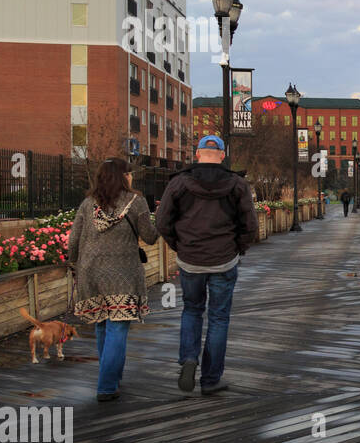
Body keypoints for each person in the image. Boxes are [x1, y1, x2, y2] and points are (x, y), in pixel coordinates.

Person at [156, 135, 259, 395]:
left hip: (190, 259)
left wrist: (179, 245)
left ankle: (189, 359)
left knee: (191, 310)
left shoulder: (179, 183)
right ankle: (211, 379)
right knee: (218, 317)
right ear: (223, 155)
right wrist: (239, 247)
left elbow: (162, 221)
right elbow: (250, 225)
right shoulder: (237, 184)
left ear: (198, 154)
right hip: (224, 259)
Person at [66, 158, 159, 402]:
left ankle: (112, 377)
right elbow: (149, 237)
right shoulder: (136, 202)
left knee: (101, 324)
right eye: (130, 174)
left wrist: (74, 263)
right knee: (118, 326)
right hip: (123, 274)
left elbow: (73, 241)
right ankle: (107, 386)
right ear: (124, 176)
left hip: (91, 272)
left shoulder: (88, 203)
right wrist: (159, 220)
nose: (132, 177)